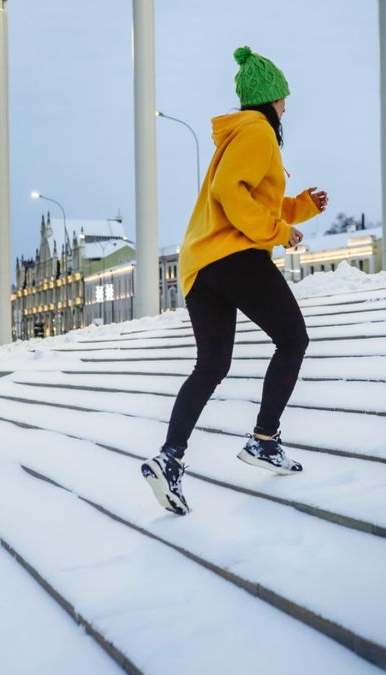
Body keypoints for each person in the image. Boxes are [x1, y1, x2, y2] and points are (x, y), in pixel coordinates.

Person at [142, 45, 328, 516]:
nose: (287, 106)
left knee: (212, 366)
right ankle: (264, 439)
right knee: (293, 338)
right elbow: (231, 195)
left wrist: (299, 206)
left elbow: (247, 195)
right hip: (233, 256)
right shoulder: (259, 131)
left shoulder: (240, 135)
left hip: (201, 264)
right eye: (283, 97)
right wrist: (279, 232)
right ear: (269, 99)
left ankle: (170, 458)